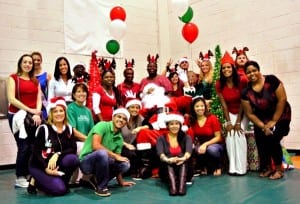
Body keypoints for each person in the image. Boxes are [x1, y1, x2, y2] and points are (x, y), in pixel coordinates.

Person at [241, 60, 291, 180]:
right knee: (260, 139)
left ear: (259, 71)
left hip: (281, 115)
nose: (252, 74)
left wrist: (273, 121)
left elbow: (282, 99)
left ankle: (279, 169)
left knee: (273, 138)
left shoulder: (271, 80)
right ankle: (267, 167)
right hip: (261, 119)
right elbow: (250, 113)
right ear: (245, 74)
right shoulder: (246, 92)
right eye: (248, 72)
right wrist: (263, 126)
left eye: (254, 70)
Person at [28, 97, 79, 195]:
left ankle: (62, 182)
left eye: (61, 111)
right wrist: (46, 168)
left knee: (73, 159)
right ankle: (35, 181)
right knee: (59, 190)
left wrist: (58, 154)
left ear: (65, 112)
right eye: (55, 111)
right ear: (51, 114)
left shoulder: (69, 128)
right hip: (39, 165)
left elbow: (73, 148)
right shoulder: (44, 129)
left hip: (56, 164)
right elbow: (36, 152)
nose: (59, 114)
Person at [79, 108, 135, 197]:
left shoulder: (120, 138)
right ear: (113, 117)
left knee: (125, 164)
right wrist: (115, 156)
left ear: (126, 123)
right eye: (119, 117)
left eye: (124, 119)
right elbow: (96, 146)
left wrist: (121, 182)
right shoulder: (102, 125)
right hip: (86, 162)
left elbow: (118, 159)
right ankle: (101, 187)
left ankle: (94, 180)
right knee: (102, 153)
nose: (121, 120)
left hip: (102, 162)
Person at [7, 54, 42, 188]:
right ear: (20, 63)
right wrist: (30, 110)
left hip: (33, 116)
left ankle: (29, 173)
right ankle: (20, 177)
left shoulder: (35, 81)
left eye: (30, 63)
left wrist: (37, 112)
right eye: (25, 62)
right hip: (17, 116)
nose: (28, 64)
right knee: (23, 146)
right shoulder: (13, 78)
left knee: (33, 146)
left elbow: (39, 98)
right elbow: (12, 99)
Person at [216, 51, 248, 175]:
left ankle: (242, 168)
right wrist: (229, 122)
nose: (226, 70)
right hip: (230, 113)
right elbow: (224, 104)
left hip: (243, 112)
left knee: (239, 134)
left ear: (233, 68)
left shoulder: (242, 81)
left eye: (228, 67)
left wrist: (239, 121)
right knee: (230, 135)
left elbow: (243, 102)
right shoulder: (219, 84)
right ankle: (233, 167)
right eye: (224, 68)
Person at [156, 112, 192, 196]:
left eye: (177, 124)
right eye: (171, 124)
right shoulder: (161, 138)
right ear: (167, 126)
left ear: (180, 125)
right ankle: (173, 187)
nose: (174, 126)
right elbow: (160, 153)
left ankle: (181, 188)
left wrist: (183, 158)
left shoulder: (186, 137)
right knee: (169, 159)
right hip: (166, 169)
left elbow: (188, 152)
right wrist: (168, 160)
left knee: (183, 159)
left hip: (184, 167)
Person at [189, 97, 225, 176]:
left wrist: (205, 144)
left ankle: (218, 167)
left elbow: (218, 137)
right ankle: (203, 167)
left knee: (211, 149)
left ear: (205, 107)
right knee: (195, 149)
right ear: (193, 108)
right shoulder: (192, 120)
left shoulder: (212, 118)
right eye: (197, 106)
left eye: (202, 106)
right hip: (202, 145)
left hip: (216, 144)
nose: (200, 108)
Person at [67, 83, 94, 184]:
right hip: (75, 142)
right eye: (78, 91)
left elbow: (92, 130)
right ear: (73, 95)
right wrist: (88, 140)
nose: (81, 94)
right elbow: (73, 131)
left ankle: (87, 177)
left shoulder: (88, 111)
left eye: (83, 91)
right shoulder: (71, 108)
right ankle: (83, 177)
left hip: (86, 141)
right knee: (88, 150)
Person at [121, 98, 149, 179]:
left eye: (137, 108)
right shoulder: (122, 117)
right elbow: (114, 137)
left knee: (144, 151)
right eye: (132, 107)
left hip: (132, 145)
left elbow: (149, 126)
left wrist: (140, 128)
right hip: (120, 144)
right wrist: (126, 145)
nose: (135, 110)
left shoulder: (140, 118)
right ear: (128, 108)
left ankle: (139, 172)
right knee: (132, 154)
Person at [32, 51, 51, 120]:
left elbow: (49, 93)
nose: (36, 62)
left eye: (38, 60)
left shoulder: (47, 75)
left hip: (43, 105)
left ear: (41, 61)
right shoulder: (27, 76)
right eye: (34, 60)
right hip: (31, 105)